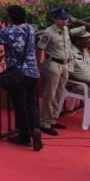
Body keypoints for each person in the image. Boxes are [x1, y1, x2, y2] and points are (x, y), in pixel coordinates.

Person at [0, 5, 42, 151]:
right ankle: (35, 128)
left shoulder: (8, 32)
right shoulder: (29, 28)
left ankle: (24, 136)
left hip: (18, 74)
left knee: (20, 105)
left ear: (10, 18)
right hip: (33, 71)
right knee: (32, 103)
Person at [36, 8, 74, 137]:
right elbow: (40, 48)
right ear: (54, 19)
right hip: (53, 64)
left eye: (66, 18)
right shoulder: (49, 32)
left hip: (64, 64)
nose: (64, 21)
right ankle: (44, 122)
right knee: (50, 94)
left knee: (58, 93)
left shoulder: (66, 30)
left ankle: (52, 118)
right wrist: (38, 65)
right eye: (61, 19)